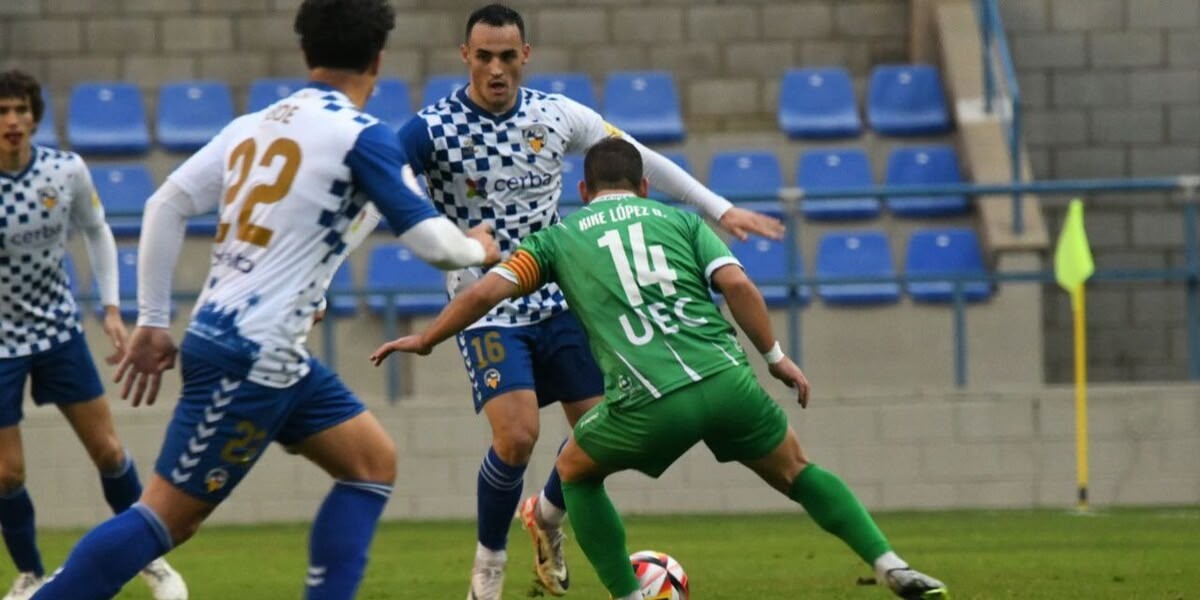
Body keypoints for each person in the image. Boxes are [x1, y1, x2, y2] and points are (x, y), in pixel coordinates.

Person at [29, 1, 499, 598]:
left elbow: (163, 204)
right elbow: (436, 245)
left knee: (371, 463)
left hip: (261, 349)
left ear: (306, 53)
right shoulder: (362, 137)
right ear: (378, 59)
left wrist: (152, 319)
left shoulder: (255, 124)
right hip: (249, 356)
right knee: (165, 518)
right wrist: (478, 248)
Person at [372, 138, 950, 600]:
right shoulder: (680, 221)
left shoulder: (557, 238)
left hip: (648, 400)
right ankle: (890, 563)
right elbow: (738, 284)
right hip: (728, 381)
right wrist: (776, 358)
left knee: (574, 472)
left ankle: (626, 593)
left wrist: (427, 338)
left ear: (582, 189)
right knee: (797, 470)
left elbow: (485, 294)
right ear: (644, 186)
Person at [396, 5, 785, 597]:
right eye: (484, 57)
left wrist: (718, 207)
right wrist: (445, 245)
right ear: (465, 56)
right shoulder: (432, 129)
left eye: (507, 56)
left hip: (560, 295)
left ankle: (546, 516)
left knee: (598, 440)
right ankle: (488, 568)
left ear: (525, 55)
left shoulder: (555, 116)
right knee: (518, 436)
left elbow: (638, 158)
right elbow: (380, 186)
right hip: (490, 302)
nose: (496, 69)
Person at [0, 70, 188, 600]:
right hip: (1, 343)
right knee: (6, 474)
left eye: (20, 109)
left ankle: (152, 564)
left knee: (108, 450)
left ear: (34, 115)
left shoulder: (65, 171)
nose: (12, 121)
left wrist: (110, 308)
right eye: (1, 111)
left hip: (59, 332)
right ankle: (32, 574)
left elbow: (97, 232)